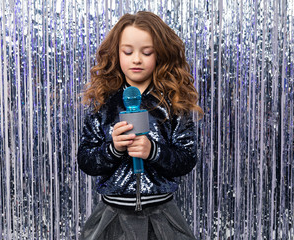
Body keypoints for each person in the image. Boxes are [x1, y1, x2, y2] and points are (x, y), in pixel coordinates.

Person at [77, 11, 203, 240]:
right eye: (128, 51)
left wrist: (154, 151)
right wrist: (112, 149)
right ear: (116, 54)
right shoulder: (103, 105)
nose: (137, 59)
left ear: (160, 55)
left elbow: (187, 159)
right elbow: (86, 160)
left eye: (147, 52)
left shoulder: (172, 105)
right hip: (112, 217)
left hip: (162, 217)